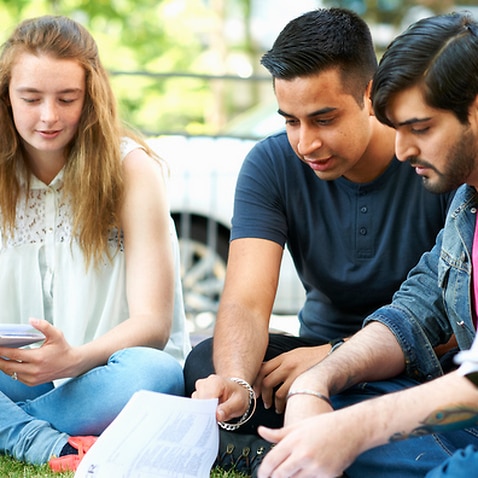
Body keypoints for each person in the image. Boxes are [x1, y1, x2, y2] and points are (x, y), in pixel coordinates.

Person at [184, 7, 454, 475]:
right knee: (206, 359)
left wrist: (333, 358)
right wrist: (235, 385)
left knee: (441, 408)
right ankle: (317, 438)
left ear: (370, 95)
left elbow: (453, 323)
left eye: (323, 119)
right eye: (291, 121)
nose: (305, 142)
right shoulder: (270, 165)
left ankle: (282, 447)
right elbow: (245, 303)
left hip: (420, 369)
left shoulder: (431, 159)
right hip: (307, 366)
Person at [257, 10, 478, 478]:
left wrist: (351, 430)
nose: (401, 151)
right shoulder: (466, 203)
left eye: (419, 128)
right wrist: (315, 382)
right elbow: (416, 311)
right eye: (396, 128)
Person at [0, 15, 190, 472]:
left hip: (101, 374)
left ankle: (16, 430)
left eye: (67, 99)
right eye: (30, 98)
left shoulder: (130, 170)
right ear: (6, 95)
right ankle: (43, 439)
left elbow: (153, 324)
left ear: (90, 99)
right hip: (16, 374)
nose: (49, 116)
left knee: (157, 375)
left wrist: (72, 360)